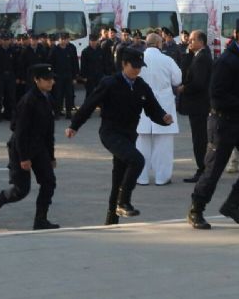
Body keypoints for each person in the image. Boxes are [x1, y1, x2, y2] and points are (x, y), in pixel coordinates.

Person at [66, 48, 172, 225]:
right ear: (124, 64)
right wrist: (74, 125)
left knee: (119, 176)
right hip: (110, 133)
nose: (137, 70)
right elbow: (89, 104)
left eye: (140, 67)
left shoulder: (141, 86)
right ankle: (124, 202)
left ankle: (111, 220)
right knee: (137, 160)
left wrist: (163, 118)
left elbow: (153, 109)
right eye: (134, 66)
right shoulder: (110, 83)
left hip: (129, 135)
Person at [187, 18, 239, 230]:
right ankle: (196, 209)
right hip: (223, 123)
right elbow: (215, 97)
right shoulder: (226, 61)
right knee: (214, 170)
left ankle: (232, 204)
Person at [0, 64, 60, 230]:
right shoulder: (28, 101)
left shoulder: (48, 99)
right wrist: (24, 157)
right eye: (47, 80)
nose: (51, 82)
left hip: (39, 148)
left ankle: (40, 220)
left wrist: (51, 156)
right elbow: (19, 131)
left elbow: (49, 132)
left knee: (49, 182)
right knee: (21, 190)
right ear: (37, 80)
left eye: (52, 79)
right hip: (21, 148)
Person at [135, 34, 182, 185]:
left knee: (142, 143)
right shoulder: (167, 60)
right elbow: (177, 79)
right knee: (164, 144)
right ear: (158, 44)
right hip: (163, 103)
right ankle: (162, 177)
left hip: (142, 102)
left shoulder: (138, 58)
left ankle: (141, 177)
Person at [178, 30, 213, 183]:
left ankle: (202, 169)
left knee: (199, 139)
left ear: (201, 41)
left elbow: (199, 82)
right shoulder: (198, 55)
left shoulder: (202, 58)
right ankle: (204, 168)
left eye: (192, 40)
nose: (189, 42)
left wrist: (184, 88)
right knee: (200, 138)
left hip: (199, 105)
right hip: (199, 104)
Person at [48, 32, 79, 118]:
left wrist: (75, 76)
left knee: (69, 94)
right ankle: (57, 112)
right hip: (58, 76)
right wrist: (51, 77)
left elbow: (75, 63)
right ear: (59, 40)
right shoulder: (54, 50)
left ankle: (68, 112)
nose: (64, 41)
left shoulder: (71, 48)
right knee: (58, 95)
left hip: (69, 76)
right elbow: (50, 64)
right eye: (62, 39)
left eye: (66, 39)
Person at [80, 34, 105, 99]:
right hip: (89, 76)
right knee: (89, 93)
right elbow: (83, 65)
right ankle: (87, 107)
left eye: (95, 41)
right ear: (89, 41)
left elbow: (104, 63)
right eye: (92, 41)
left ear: (97, 41)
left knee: (100, 92)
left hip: (99, 75)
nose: (93, 42)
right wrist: (84, 76)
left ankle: (101, 106)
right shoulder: (85, 51)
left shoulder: (100, 50)